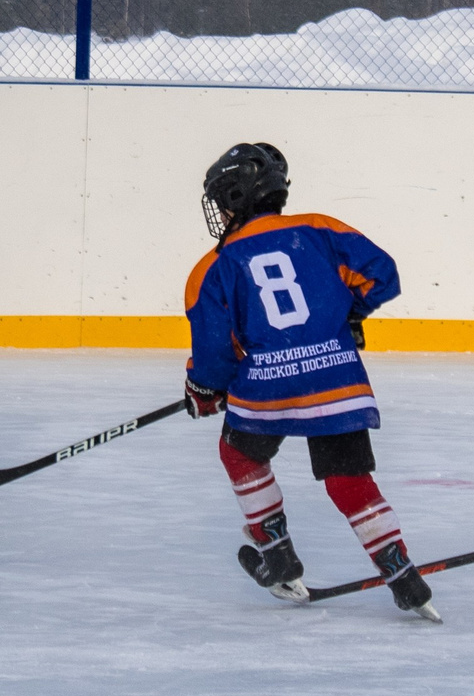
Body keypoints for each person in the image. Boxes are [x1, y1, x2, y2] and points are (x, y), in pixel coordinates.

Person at [183, 142, 439, 624]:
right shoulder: (320, 228)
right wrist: (348, 315)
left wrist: (204, 389)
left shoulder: (212, 267)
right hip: (336, 377)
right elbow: (382, 276)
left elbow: (215, 353)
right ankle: (403, 576)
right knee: (349, 478)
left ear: (236, 197)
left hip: (267, 387)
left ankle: (276, 553)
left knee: (239, 453)